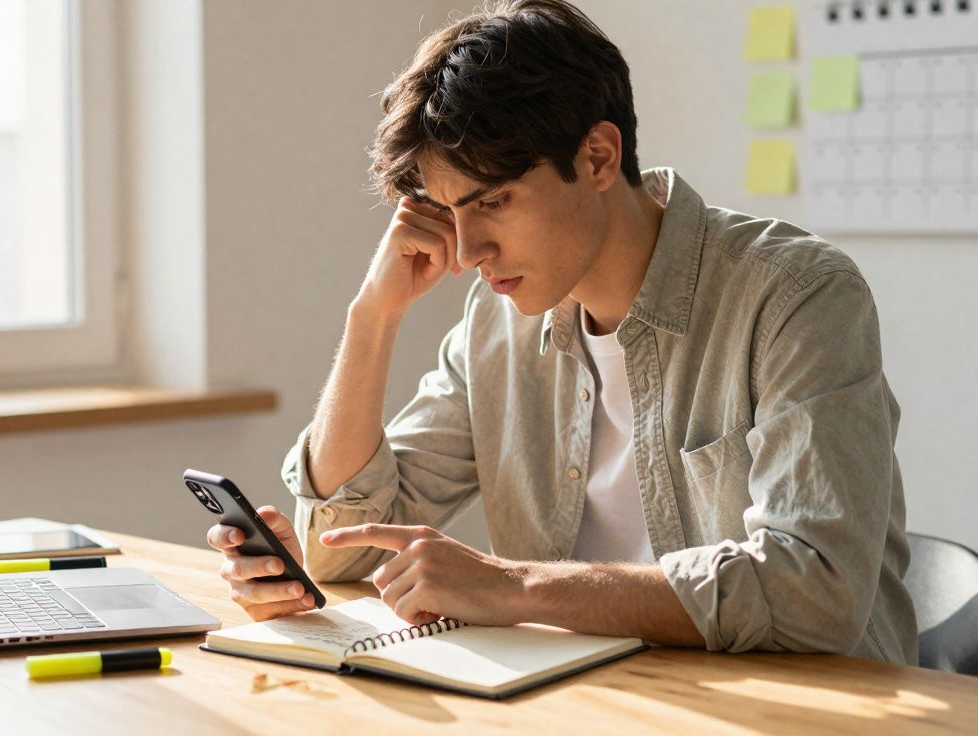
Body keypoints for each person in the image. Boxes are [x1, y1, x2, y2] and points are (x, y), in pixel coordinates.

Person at [206, 0, 917, 663]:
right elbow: (343, 548)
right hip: (589, 699)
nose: (467, 251)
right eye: (449, 212)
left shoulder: (796, 296)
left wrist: (515, 587)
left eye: (493, 201)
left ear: (598, 157)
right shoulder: (495, 323)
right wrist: (373, 316)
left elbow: (813, 590)